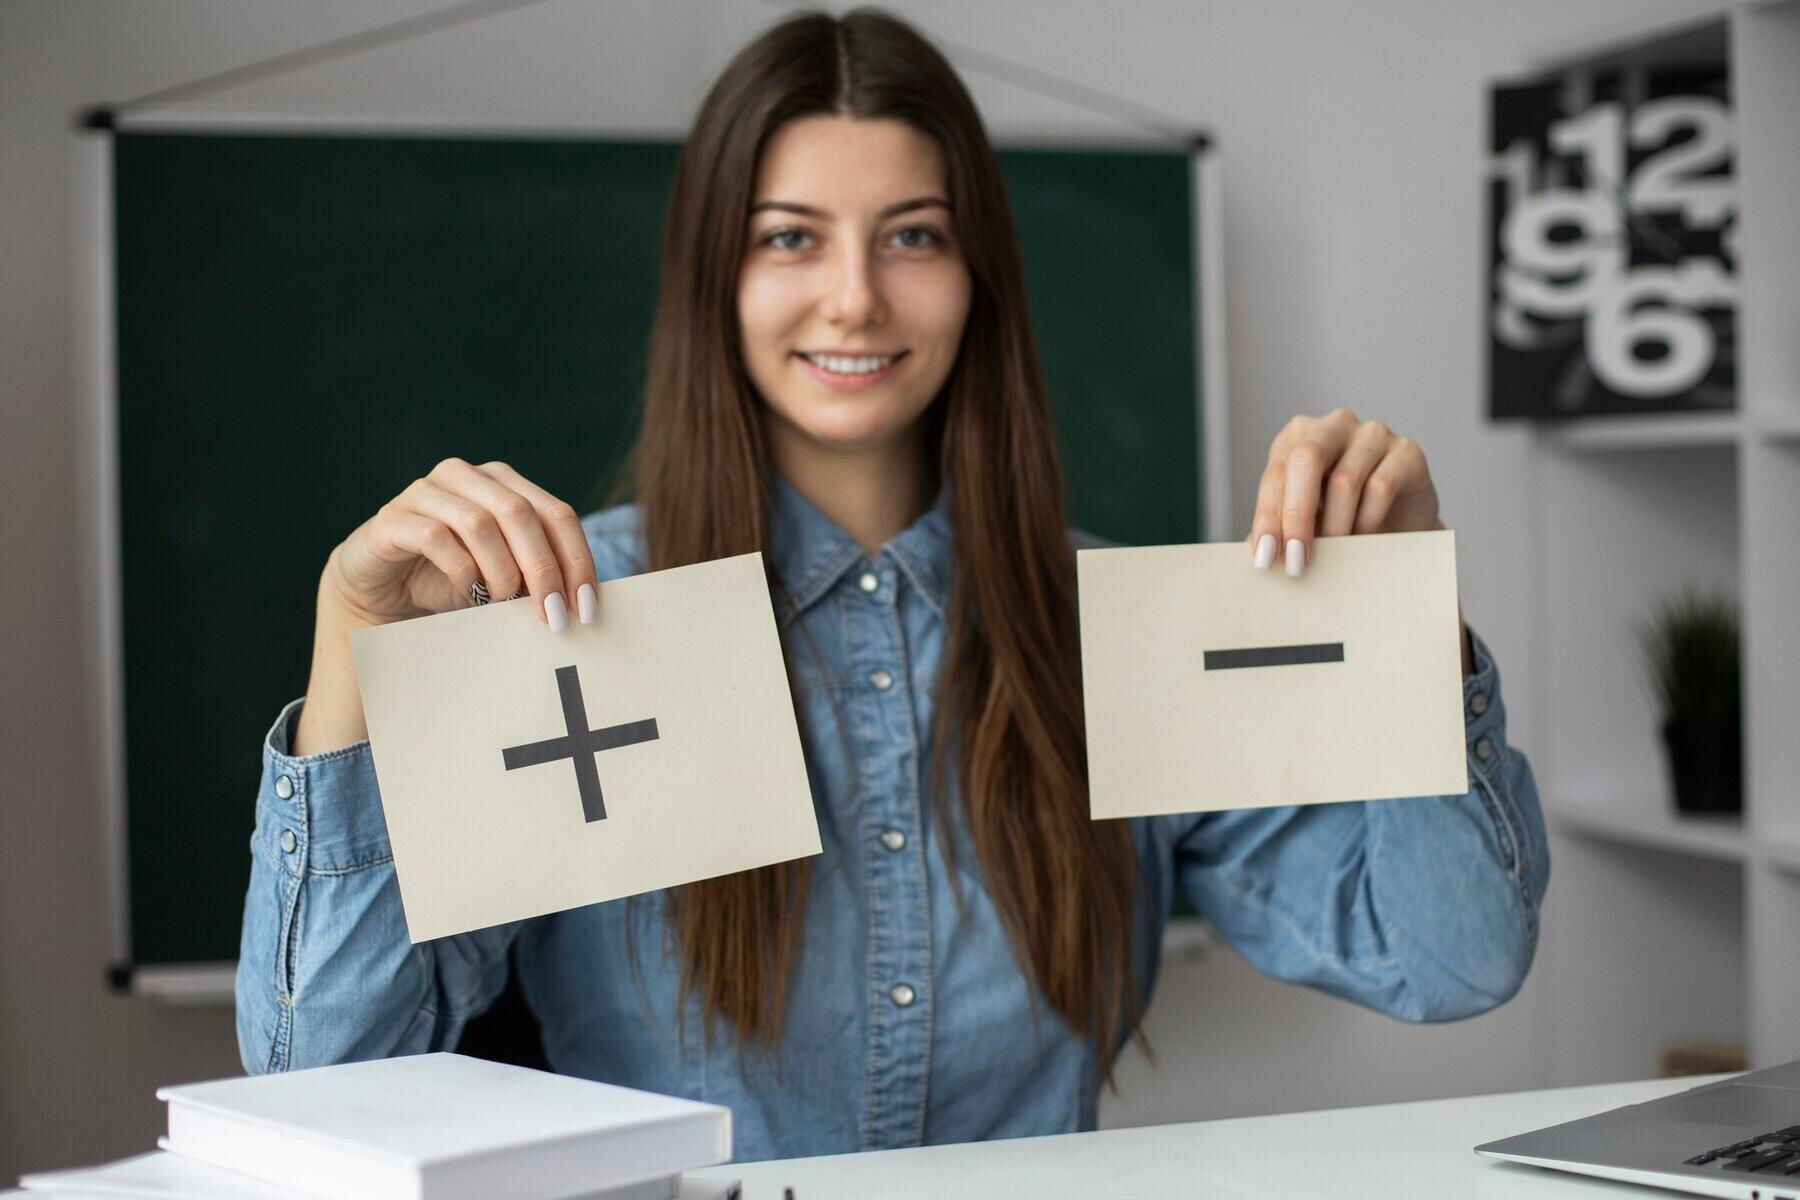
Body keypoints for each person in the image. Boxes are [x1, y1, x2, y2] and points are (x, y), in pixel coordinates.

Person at [236, 6, 1548, 1164]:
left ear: (979, 277)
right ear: (717, 281)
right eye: (790, 239)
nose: (855, 299)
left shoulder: (1109, 632)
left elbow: (1447, 960)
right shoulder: (570, 619)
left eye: (911, 235)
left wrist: (1402, 620)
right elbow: (325, 1078)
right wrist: (352, 650)